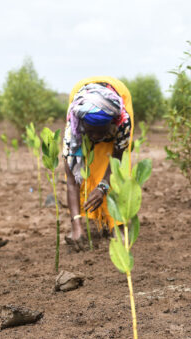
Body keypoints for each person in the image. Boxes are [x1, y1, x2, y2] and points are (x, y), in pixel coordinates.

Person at [63, 76, 134, 250]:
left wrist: (103, 186)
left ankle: (117, 224)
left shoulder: (123, 122)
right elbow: (71, 181)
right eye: (91, 132)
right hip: (81, 95)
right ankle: (85, 223)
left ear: (112, 124)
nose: (95, 137)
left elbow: (117, 159)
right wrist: (75, 226)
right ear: (82, 126)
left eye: (101, 132)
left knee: (115, 171)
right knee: (87, 166)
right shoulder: (74, 128)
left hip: (118, 93)